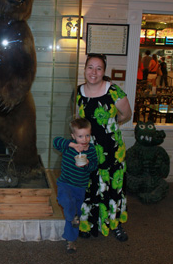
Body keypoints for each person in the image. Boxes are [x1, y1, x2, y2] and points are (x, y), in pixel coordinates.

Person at [76, 53, 132, 242]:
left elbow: (126, 114)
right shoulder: (78, 92)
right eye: (90, 67)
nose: (94, 72)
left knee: (113, 187)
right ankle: (88, 223)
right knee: (90, 186)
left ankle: (115, 225)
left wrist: (110, 127)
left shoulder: (114, 91)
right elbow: (78, 121)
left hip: (112, 149)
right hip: (89, 150)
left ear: (104, 72)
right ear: (84, 70)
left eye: (99, 68)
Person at [53, 118, 98, 253]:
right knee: (66, 201)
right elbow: (56, 141)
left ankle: (71, 240)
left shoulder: (91, 149)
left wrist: (88, 163)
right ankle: (72, 217)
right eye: (80, 136)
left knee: (74, 213)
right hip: (65, 183)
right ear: (73, 136)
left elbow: (94, 166)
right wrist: (72, 145)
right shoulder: (68, 145)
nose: (84, 139)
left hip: (80, 187)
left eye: (87, 135)